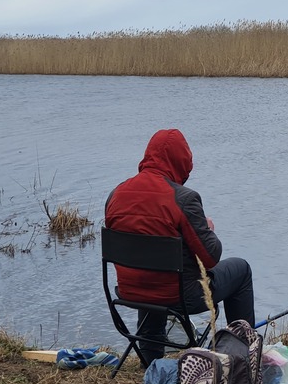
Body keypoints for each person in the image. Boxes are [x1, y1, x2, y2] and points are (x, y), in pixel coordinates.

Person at [105, 128, 255, 364]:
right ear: (182, 161)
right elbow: (211, 257)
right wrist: (207, 229)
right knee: (241, 269)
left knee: (150, 272)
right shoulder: (184, 198)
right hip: (182, 297)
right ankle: (242, 356)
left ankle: (150, 361)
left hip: (130, 291)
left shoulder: (116, 194)